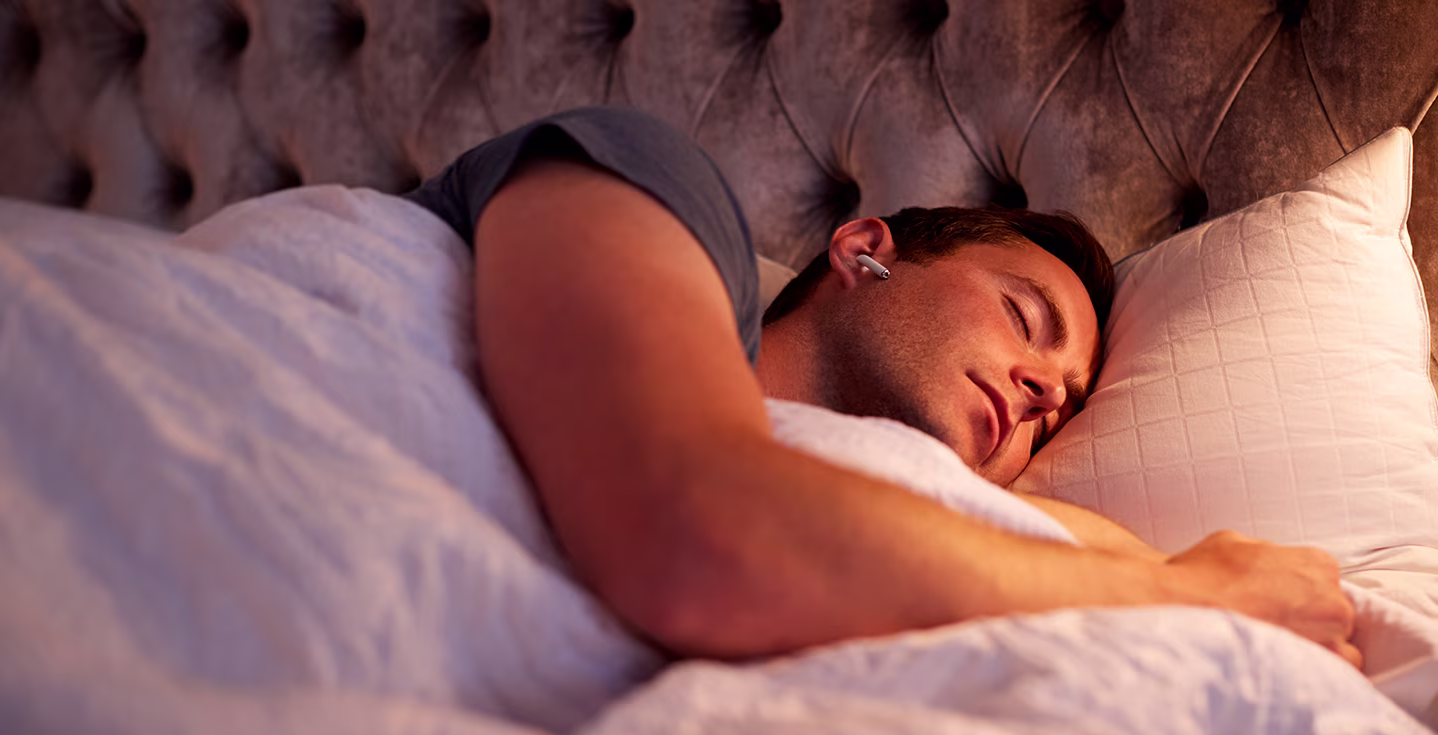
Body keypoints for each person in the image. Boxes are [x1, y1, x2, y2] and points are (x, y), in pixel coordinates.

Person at [404, 105, 1360, 668]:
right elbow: (691, 526)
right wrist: (1191, 601)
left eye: (1059, 411)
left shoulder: (901, 517)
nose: (1038, 393)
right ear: (865, 253)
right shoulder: (651, 182)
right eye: (1025, 317)